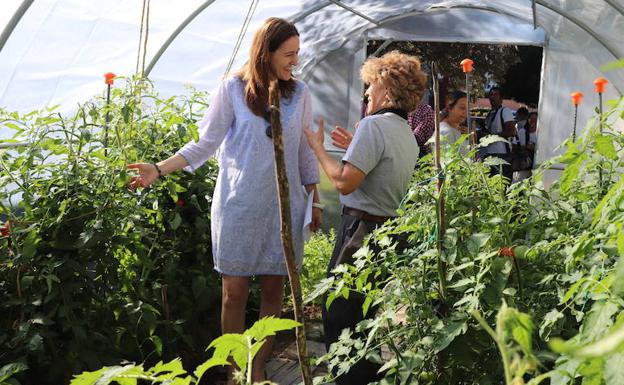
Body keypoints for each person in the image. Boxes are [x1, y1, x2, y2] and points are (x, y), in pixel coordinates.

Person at [126, 18, 321, 384]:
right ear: (266, 52)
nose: (295, 61)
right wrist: (158, 168)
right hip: (238, 204)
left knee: (274, 290)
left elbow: (304, 152)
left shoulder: (300, 92)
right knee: (232, 294)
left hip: (284, 206)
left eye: (297, 53)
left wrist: (316, 197)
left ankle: (259, 366)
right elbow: (205, 143)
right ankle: (234, 368)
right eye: (288, 54)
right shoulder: (232, 89)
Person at [304, 50, 425, 385]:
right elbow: (379, 170)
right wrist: (356, 143)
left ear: (386, 87)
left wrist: (318, 148)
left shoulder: (373, 126)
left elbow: (344, 182)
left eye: (371, 84)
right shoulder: (405, 132)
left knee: (340, 315)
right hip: (384, 233)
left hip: (359, 232)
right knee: (362, 317)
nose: (366, 92)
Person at [482, 87, 516, 181]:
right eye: (491, 94)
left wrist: (492, 137)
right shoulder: (490, 114)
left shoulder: (505, 111)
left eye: (496, 95)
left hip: (502, 155)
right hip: (489, 154)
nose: (492, 97)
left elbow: (511, 131)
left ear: (501, 98)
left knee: (501, 186)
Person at [439, 90, 469, 156]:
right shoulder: (445, 131)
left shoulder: (457, 129)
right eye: (462, 107)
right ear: (450, 108)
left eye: (468, 109)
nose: (466, 112)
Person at [512, 111, 538, 182]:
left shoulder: (540, 133)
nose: (533, 120)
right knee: (519, 183)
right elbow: (514, 145)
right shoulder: (522, 131)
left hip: (536, 163)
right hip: (523, 164)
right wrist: (525, 147)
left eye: (535, 119)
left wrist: (535, 147)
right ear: (528, 119)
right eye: (531, 118)